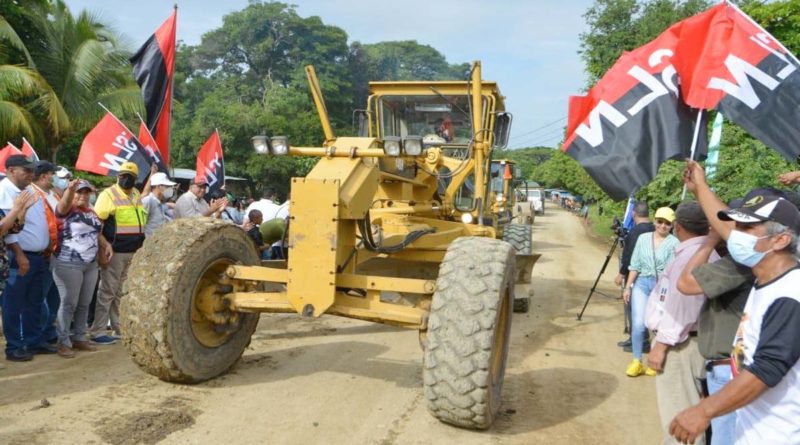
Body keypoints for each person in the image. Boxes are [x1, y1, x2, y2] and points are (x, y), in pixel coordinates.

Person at [670, 163, 800, 445]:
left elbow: (767, 368)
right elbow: (726, 227)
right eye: (736, 225)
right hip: (753, 428)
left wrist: (704, 410)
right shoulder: (766, 279)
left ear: (780, 240)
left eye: (746, 227)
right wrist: (701, 188)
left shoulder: (791, 293)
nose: (735, 234)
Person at [676, 196, 754, 445]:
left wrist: (710, 241)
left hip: (727, 369)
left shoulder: (741, 264)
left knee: (724, 438)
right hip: (731, 367)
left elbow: (686, 282)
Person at [645, 201, 717, 445]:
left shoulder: (693, 257)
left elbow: (683, 308)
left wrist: (661, 345)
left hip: (680, 347)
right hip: (690, 341)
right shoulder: (705, 253)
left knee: (680, 418)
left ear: (678, 227)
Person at [0, 155, 57, 360]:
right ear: (11, 170)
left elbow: (22, 223)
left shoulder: (27, 190)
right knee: (13, 304)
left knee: (33, 302)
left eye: (31, 170)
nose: (31, 174)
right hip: (16, 257)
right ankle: (14, 346)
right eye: (26, 170)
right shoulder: (4, 190)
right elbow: (7, 230)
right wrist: (19, 254)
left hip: (37, 256)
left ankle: (33, 341)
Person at [89, 162, 147, 345]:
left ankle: (118, 327)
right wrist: (102, 250)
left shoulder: (136, 194)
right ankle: (98, 331)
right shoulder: (108, 195)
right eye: (122, 175)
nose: (125, 179)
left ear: (136, 179)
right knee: (107, 291)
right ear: (117, 176)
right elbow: (97, 226)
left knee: (121, 292)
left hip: (133, 250)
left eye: (129, 176)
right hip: (115, 251)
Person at [53, 179, 108, 358]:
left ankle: (79, 337)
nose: (82, 195)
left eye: (86, 192)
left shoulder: (91, 211)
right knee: (69, 303)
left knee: (84, 303)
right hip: (69, 262)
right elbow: (62, 206)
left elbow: (96, 233)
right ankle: (63, 341)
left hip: (90, 264)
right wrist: (69, 191)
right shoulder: (67, 209)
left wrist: (105, 245)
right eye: (79, 192)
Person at [623, 206, 678, 377]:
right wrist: (628, 287)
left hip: (661, 287)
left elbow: (672, 270)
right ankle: (636, 360)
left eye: (667, 223)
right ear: (654, 221)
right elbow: (635, 264)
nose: (662, 226)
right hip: (641, 283)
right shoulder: (643, 238)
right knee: (638, 324)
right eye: (660, 221)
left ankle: (655, 361)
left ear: (672, 225)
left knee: (657, 325)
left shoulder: (675, 243)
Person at [615, 201, 655, 350]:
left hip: (637, 276)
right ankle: (635, 338)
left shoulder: (634, 232)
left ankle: (640, 341)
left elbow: (629, 257)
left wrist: (621, 274)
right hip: (655, 276)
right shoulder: (656, 229)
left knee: (634, 308)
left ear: (634, 214)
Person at [32, 160, 62, 345]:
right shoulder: (33, 194)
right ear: (44, 175)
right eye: (52, 174)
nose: (54, 177)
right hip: (43, 253)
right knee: (39, 298)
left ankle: (49, 332)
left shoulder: (52, 195)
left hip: (55, 253)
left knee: (54, 296)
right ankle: (38, 335)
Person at [141, 172, 176, 236]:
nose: (170, 189)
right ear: (159, 186)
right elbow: (141, 224)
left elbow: (166, 205)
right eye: (167, 186)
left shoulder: (159, 203)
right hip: (148, 242)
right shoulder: (148, 201)